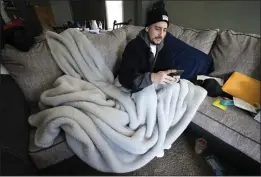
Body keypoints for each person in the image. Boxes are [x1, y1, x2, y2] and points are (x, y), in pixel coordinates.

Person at [119, 8, 213, 93]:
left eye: (164, 30)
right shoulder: (133, 47)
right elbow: (125, 79)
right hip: (139, 89)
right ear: (147, 28)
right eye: (157, 29)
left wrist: (172, 77)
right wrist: (152, 77)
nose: (161, 34)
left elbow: (166, 68)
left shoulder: (163, 45)